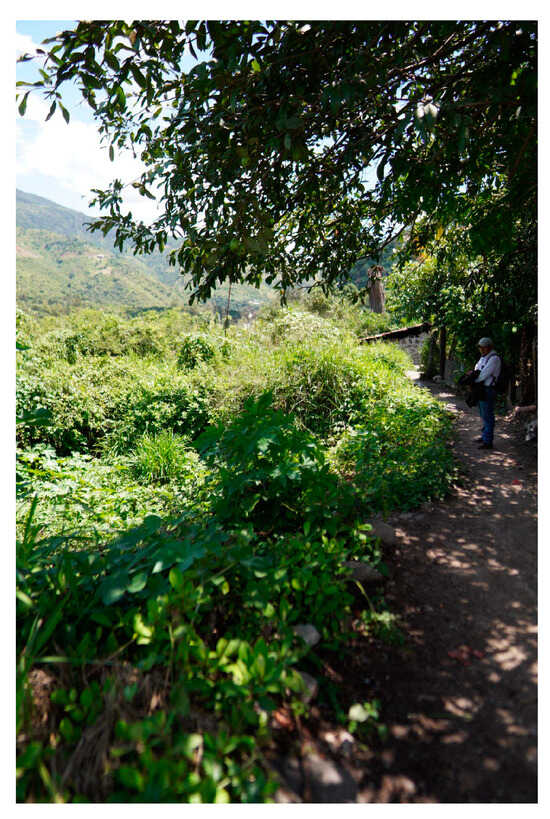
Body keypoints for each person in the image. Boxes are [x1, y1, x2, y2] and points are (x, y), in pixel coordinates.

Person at [474, 337, 501, 449]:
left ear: (489, 347)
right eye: (480, 347)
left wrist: (474, 380)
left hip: (488, 389)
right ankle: (485, 436)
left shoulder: (494, 358)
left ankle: (488, 441)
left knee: (488, 415)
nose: (481, 349)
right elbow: (477, 369)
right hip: (482, 389)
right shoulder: (484, 357)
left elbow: (483, 374)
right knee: (483, 414)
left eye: (483, 347)